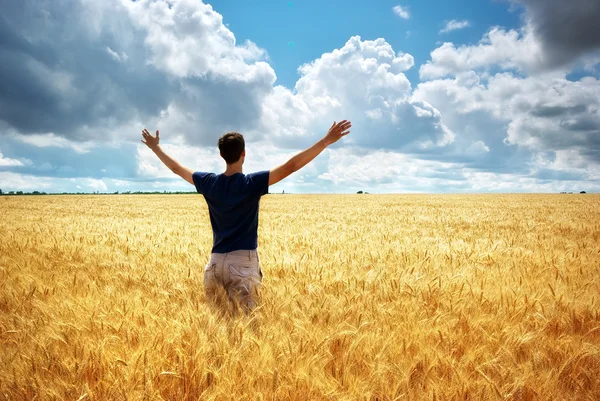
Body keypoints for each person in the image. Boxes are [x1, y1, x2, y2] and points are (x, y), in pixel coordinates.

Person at [141, 120, 352, 313]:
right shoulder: (252, 183)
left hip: (215, 263)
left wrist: (155, 147)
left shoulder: (208, 182)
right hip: (243, 262)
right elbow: (291, 166)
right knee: (247, 327)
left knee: (216, 328)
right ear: (244, 153)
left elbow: (177, 168)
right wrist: (325, 141)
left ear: (221, 155)